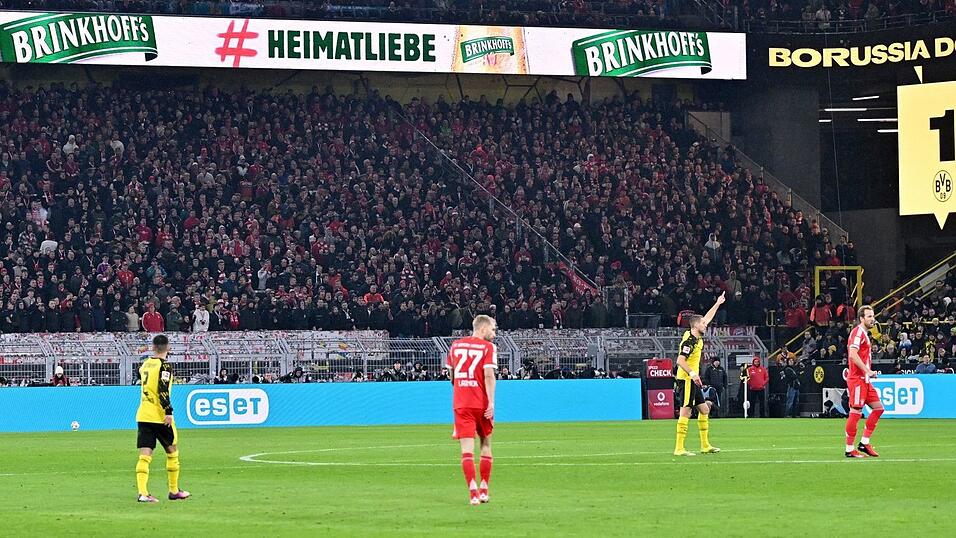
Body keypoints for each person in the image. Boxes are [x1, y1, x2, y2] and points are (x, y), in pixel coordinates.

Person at [445, 314, 498, 505]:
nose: (494, 334)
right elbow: (489, 376)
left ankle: (473, 492)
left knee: (466, 451)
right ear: (482, 328)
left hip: (462, 403)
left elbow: (451, 377)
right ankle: (484, 489)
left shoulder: (455, 346)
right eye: (492, 329)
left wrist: (461, 388)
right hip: (481, 403)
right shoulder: (488, 347)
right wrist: (491, 402)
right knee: (485, 445)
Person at [134, 334, 190, 502]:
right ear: (169, 348)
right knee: (172, 452)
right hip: (159, 416)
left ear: (153, 347)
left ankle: (143, 493)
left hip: (143, 414)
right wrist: (168, 411)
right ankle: (173, 491)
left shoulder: (144, 365)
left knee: (145, 454)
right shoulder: (164, 366)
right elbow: (162, 388)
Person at [673, 292, 726, 456]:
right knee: (686, 411)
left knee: (704, 410)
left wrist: (717, 303)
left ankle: (705, 445)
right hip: (687, 379)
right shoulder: (689, 341)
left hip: (692, 380)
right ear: (696, 326)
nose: (706, 325)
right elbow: (680, 361)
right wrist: (693, 374)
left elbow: (707, 317)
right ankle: (679, 448)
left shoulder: (696, 335)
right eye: (703, 323)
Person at [844, 306, 884, 458]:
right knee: (855, 412)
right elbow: (853, 355)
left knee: (879, 408)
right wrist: (867, 371)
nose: (872, 319)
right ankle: (849, 449)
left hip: (865, 380)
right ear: (861, 318)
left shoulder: (865, 334)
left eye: (873, 316)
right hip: (857, 379)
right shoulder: (857, 333)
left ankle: (864, 442)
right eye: (869, 316)